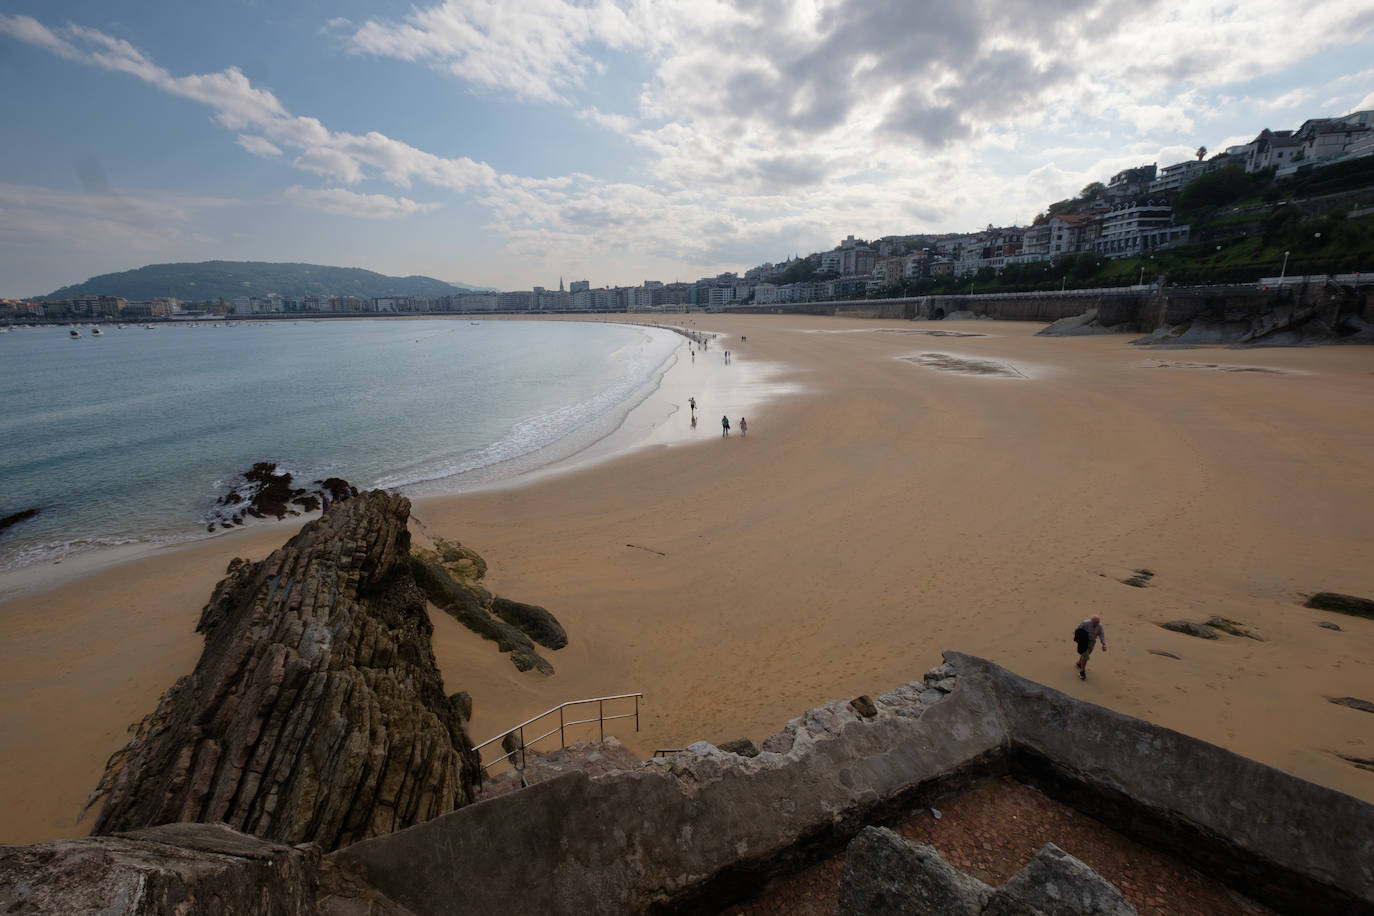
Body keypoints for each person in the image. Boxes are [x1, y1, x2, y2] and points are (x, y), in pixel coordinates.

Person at [1073, 615, 1106, 680]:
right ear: (1092, 621)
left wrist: (1103, 644)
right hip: (1084, 641)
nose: (1096, 624)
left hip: (1092, 642)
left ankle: (1079, 663)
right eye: (1095, 622)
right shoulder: (1085, 623)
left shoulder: (1099, 626)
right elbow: (1077, 629)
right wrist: (1080, 638)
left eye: (1098, 622)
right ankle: (1082, 672)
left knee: (1085, 654)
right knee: (1086, 656)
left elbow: (1101, 634)